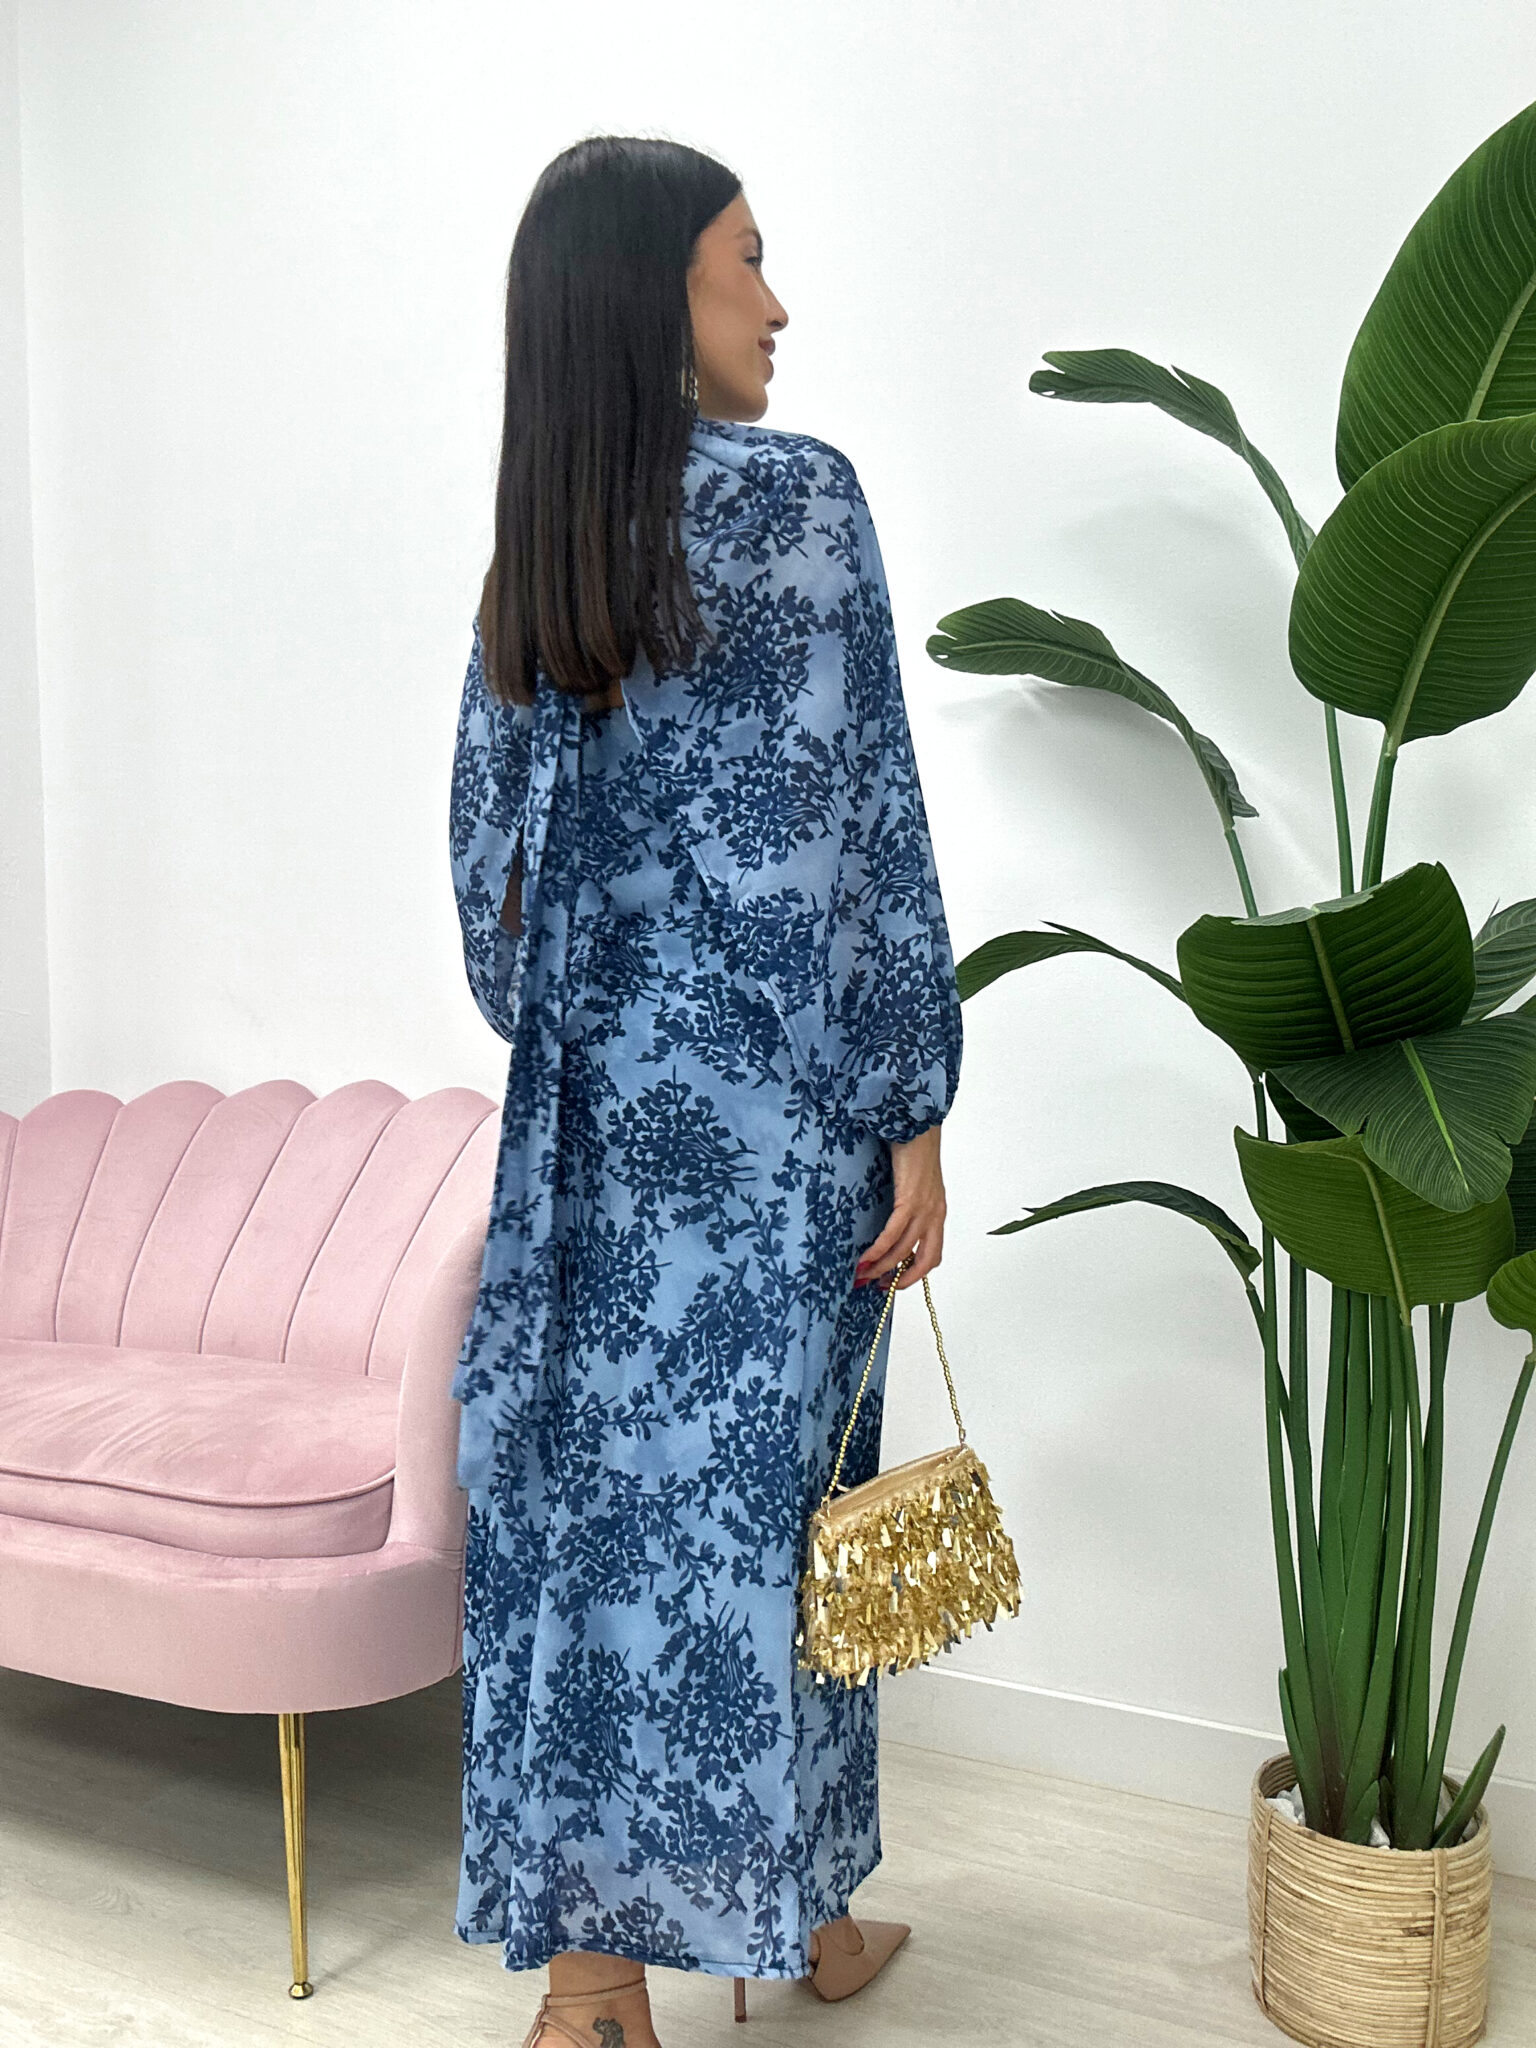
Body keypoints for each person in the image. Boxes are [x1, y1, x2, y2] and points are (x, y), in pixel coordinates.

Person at [447, 134, 963, 2048]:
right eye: (748, 258)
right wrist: (914, 1104)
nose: (777, 301)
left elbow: (491, 916)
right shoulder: (803, 505)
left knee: (598, 1544)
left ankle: (598, 1996)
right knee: (795, 1527)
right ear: (658, 286)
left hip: (589, 1164)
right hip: (783, 1153)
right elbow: (870, 829)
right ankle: (799, 1919)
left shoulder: (540, 555)